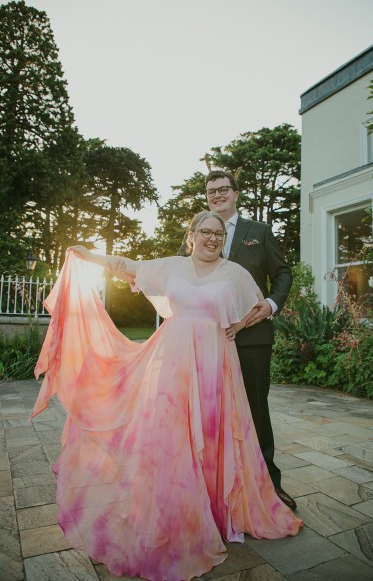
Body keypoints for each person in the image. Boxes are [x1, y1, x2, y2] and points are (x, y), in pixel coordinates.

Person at [30, 211, 302, 581]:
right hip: (173, 361)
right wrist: (89, 254)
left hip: (215, 363)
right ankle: (175, 514)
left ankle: (215, 512)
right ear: (191, 236)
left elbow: (257, 305)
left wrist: (237, 326)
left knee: (211, 435)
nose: (211, 238)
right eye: (204, 232)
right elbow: (126, 264)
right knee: (173, 439)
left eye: (218, 234)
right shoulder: (171, 266)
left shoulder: (235, 274)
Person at [179, 171, 296, 510]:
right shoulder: (199, 231)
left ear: (235, 193)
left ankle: (270, 486)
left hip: (252, 338)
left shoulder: (258, 232)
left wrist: (271, 304)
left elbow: (283, 272)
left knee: (256, 410)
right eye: (210, 191)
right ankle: (214, 487)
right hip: (205, 341)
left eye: (223, 189)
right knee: (209, 413)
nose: (217, 195)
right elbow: (179, 270)